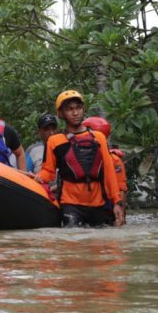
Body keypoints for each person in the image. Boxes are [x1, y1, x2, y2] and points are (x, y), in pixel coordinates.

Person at [39, 90, 125, 227]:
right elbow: (47, 172)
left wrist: (117, 202)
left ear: (83, 109)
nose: (75, 113)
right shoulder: (54, 141)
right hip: (70, 204)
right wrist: (37, 178)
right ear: (61, 114)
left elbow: (109, 173)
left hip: (98, 204)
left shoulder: (99, 138)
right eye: (70, 109)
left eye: (78, 108)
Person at [83, 116, 128, 205]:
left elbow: (121, 189)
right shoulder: (82, 156)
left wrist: (120, 213)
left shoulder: (114, 160)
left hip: (106, 204)